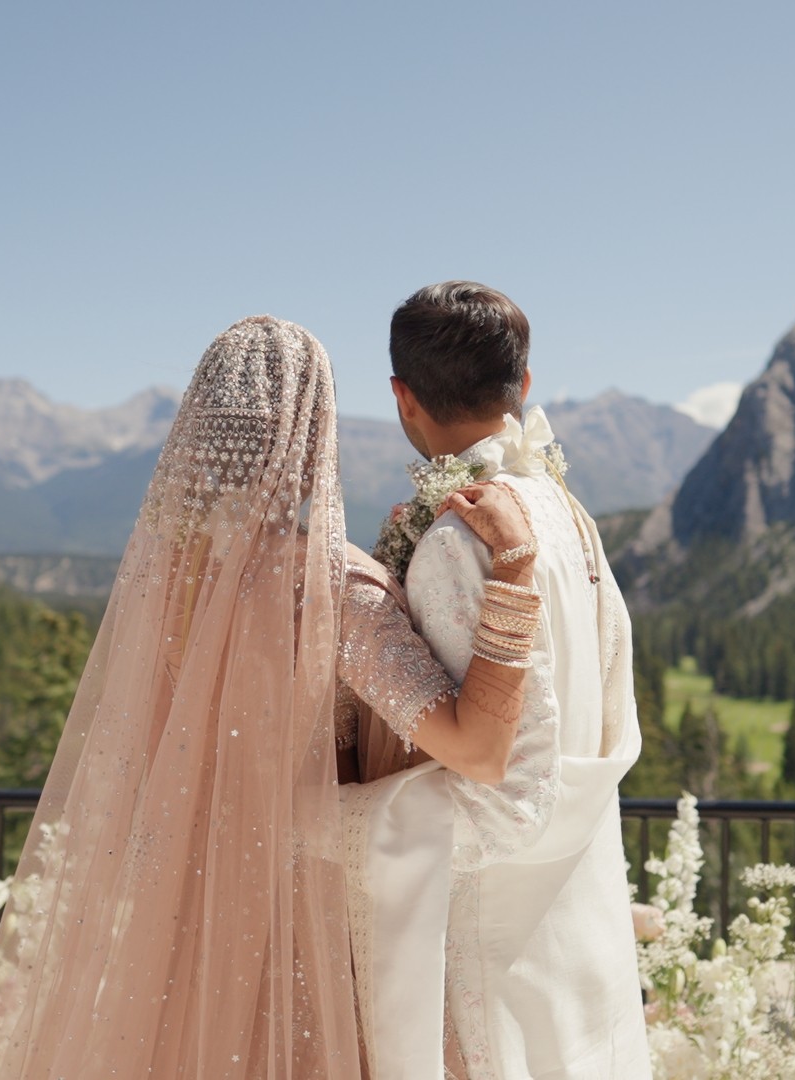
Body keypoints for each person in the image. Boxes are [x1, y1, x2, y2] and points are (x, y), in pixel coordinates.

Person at [0, 315, 540, 1080]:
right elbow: (481, 751)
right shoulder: (329, 590)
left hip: (193, 930)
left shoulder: (166, 587)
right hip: (318, 940)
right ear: (310, 442)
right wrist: (516, 572)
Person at [344, 282, 648, 1079]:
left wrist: (346, 818)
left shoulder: (459, 535)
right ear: (525, 385)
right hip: (574, 879)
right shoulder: (565, 509)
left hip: (491, 916)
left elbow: (490, 761)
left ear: (402, 399)